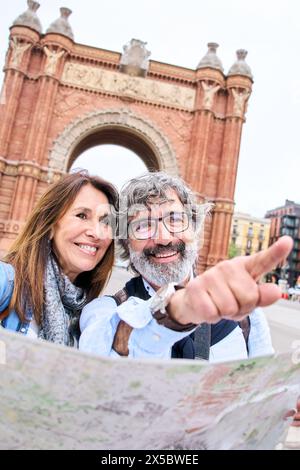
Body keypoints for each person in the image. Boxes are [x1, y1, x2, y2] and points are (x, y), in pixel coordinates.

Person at [79, 172, 293, 361]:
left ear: (194, 227)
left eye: (174, 219)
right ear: (126, 241)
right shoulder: (104, 312)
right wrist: (174, 310)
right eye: (142, 226)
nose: (163, 238)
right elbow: (99, 357)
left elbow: (261, 389)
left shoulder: (247, 317)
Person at [0, 171, 118, 347]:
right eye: (81, 216)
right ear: (50, 225)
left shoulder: (92, 316)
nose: (96, 232)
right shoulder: (5, 282)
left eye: (105, 221)